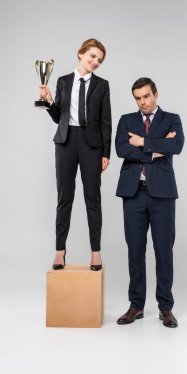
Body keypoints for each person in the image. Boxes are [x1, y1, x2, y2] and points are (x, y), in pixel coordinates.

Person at [115, 77, 184, 327]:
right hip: (133, 193)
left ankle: (165, 307)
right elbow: (122, 150)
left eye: (146, 96)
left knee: (164, 251)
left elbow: (177, 145)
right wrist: (158, 149)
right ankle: (136, 306)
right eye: (138, 98)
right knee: (135, 251)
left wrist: (143, 142)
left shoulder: (171, 119)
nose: (142, 102)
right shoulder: (126, 120)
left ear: (156, 94)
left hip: (162, 194)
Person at [39, 38, 112, 271]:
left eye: (99, 60)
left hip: (92, 145)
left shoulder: (102, 85)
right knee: (65, 198)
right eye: (92, 56)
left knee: (93, 198)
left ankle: (96, 253)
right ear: (81, 54)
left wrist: (106, 153)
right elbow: (57, 116)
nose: (95, 62)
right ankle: (59, 252)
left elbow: (105, 122)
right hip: (66, 141)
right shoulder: (63, 81)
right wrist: (49, 100)